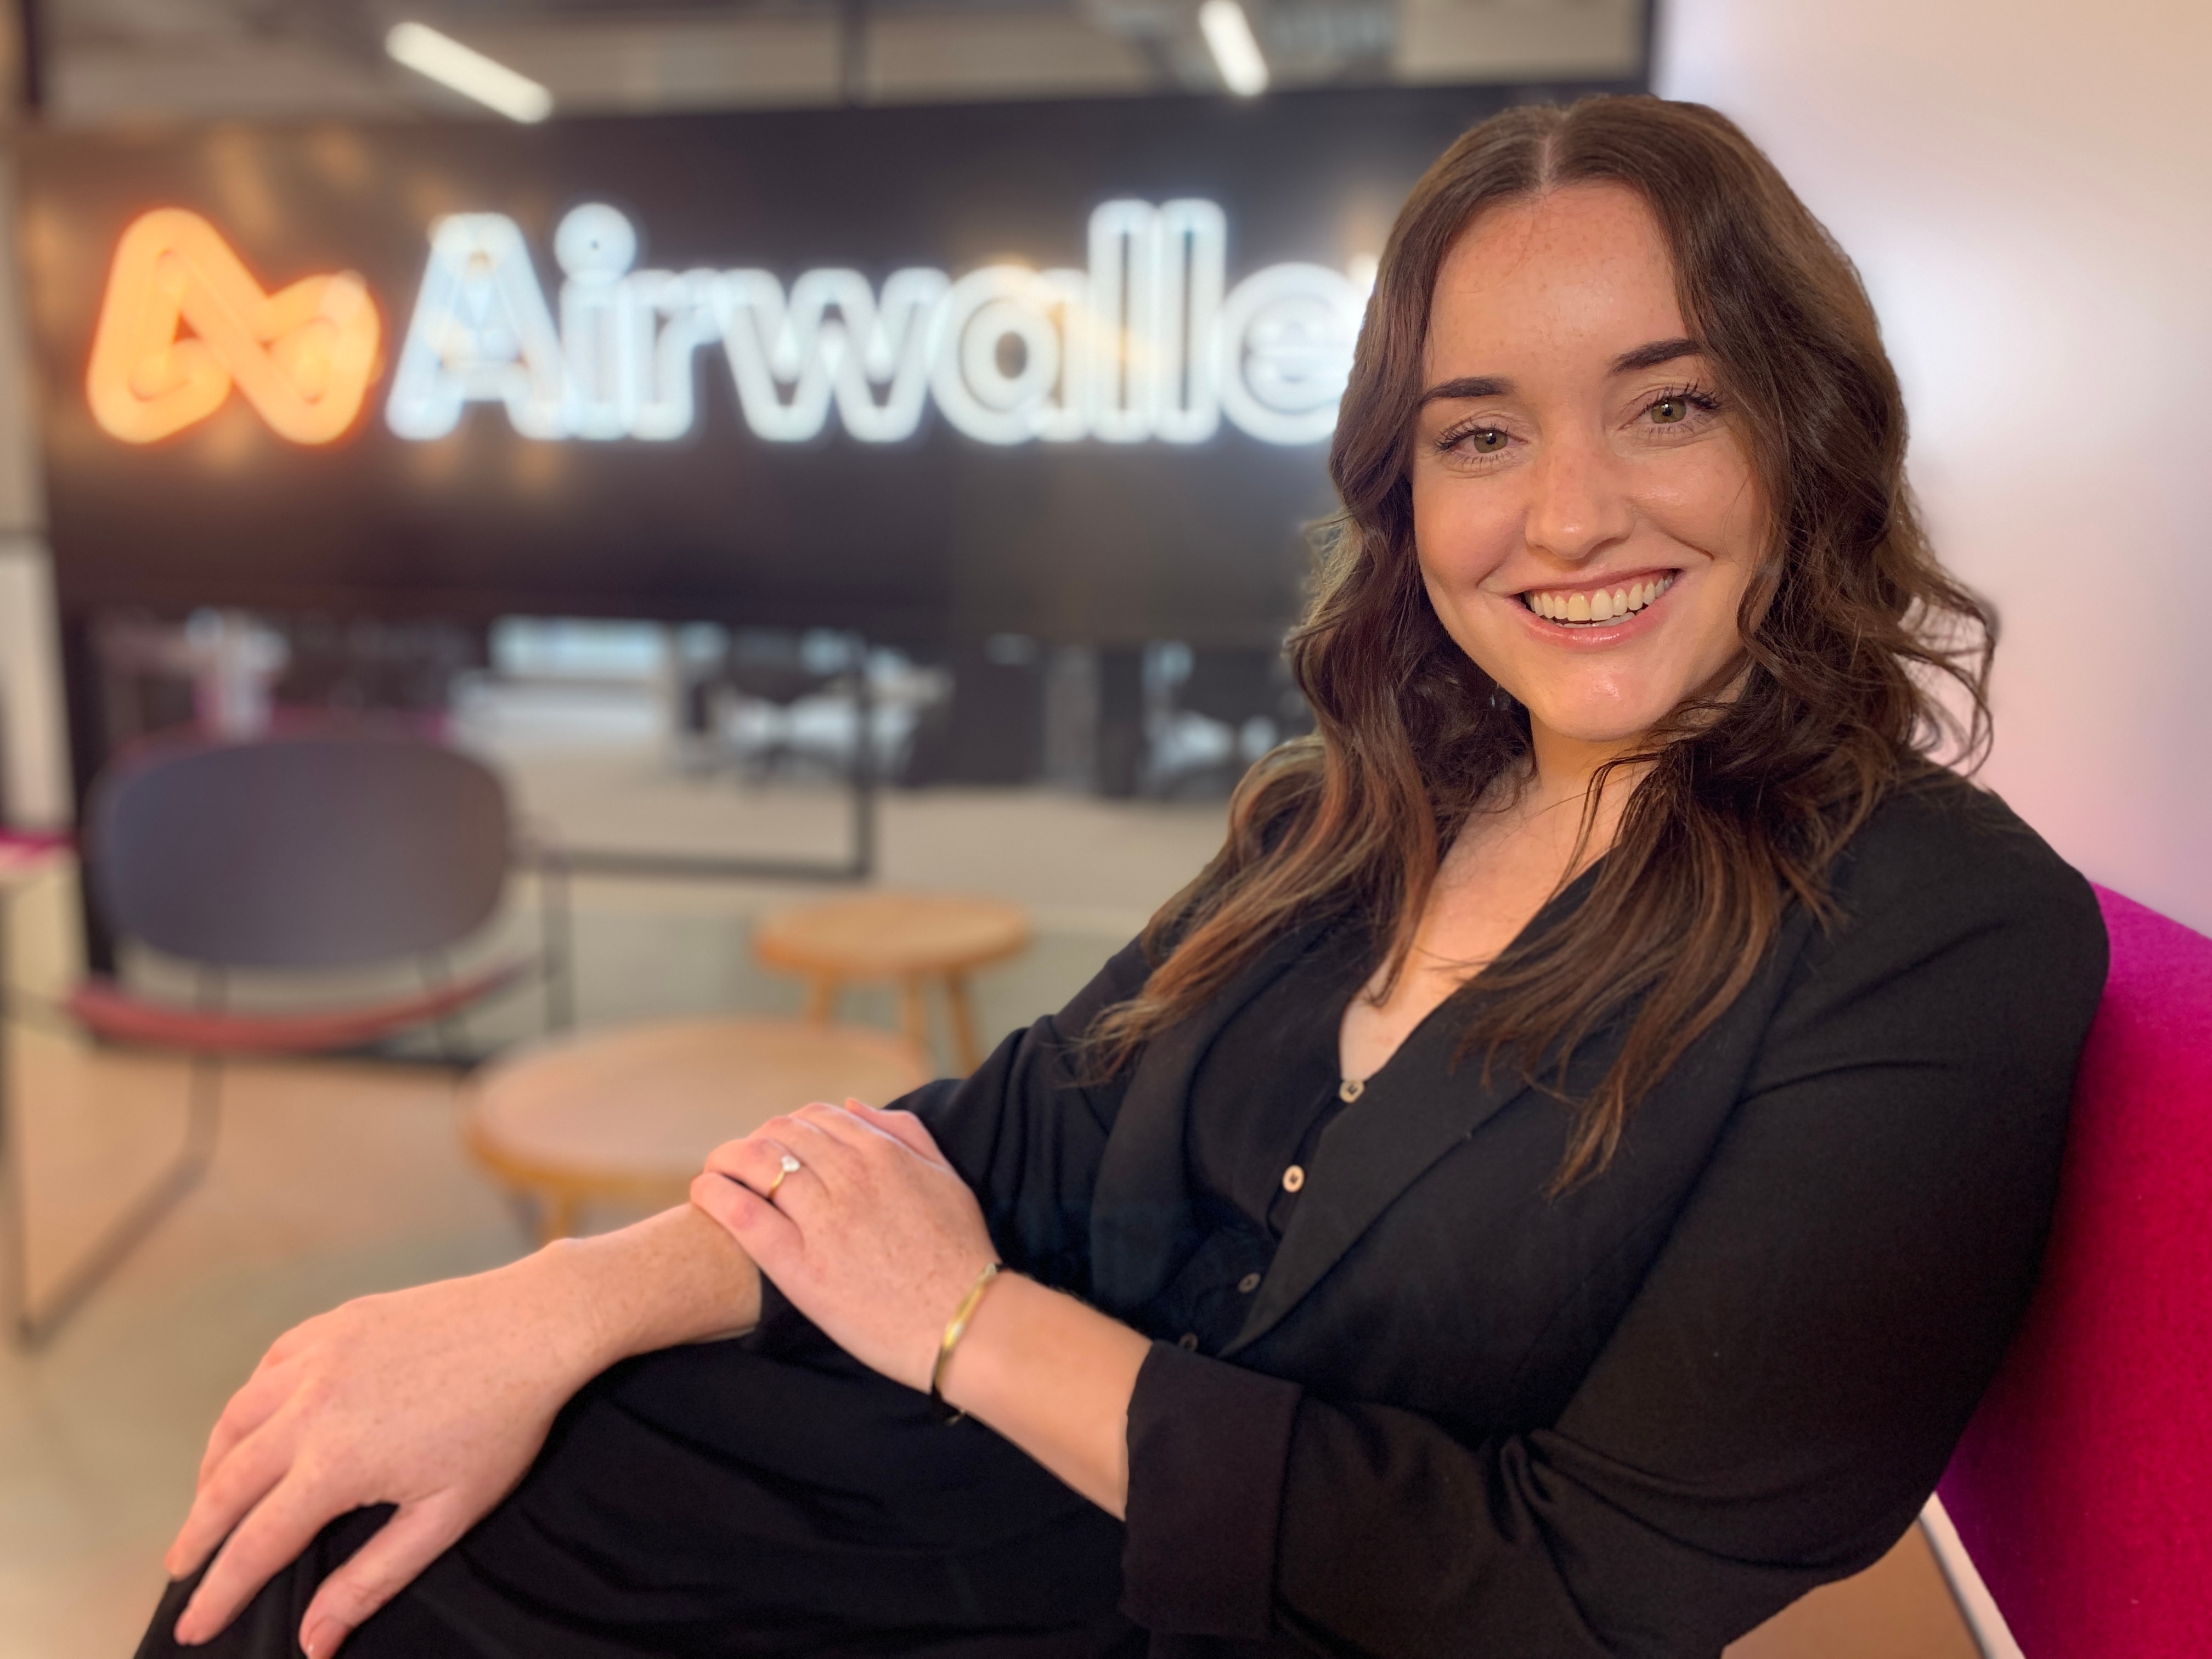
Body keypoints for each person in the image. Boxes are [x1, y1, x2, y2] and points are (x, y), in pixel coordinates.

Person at [138, 94, 2106, 1659]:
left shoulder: (1936, 936)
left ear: (1807, 425)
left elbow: (1581, 1593)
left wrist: (971, 1329)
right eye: (1480, 432)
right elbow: (1003, 1128)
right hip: (976, 1492)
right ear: (1402, 492)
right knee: (315, 1562)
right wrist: (557, 1302)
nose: (1568, 511)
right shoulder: (1350, 818)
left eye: (1668, 403)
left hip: (1245, 1593)